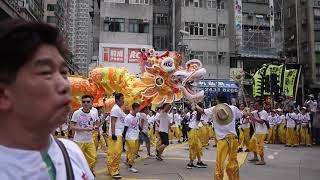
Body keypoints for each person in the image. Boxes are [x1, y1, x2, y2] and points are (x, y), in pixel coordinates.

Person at [0, 19, 94, 179]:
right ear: (3, 94)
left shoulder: (71, 154)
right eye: (46, 72)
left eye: (63, 72)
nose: (64, 85)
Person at [195, 92, 242, 180]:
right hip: (233, 139)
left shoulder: (215, 109)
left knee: (219, 164)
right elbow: (241, 115)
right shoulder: (234, 108)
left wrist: (195, 104)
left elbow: (201, 111)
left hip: (222, 140)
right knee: (233, 162)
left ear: (217, 100)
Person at [70, 95, 99, 174]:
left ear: (91, 103)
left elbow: (97, 123)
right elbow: (71, 127)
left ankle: (88, 172)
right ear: (81, 103)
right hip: (79, 141)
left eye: (88, 102)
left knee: (94, 158)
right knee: (78, 160)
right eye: (84, 102)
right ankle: (79, 174)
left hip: (89, 140)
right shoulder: (77, 113)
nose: (86, 103)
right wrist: (85, 129)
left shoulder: (93, 113)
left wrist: (96, 126)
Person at [107, 93, 126, 179]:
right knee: (116, 153)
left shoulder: (119, 109)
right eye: (122, 99)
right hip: (116, 134)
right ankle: (114, 171)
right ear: (117, 100)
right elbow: (113, 122)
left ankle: (111, 169)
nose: (123, 100)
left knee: (115, 153)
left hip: (119, 134)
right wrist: (113, 134)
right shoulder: (115, 109)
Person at [248, 100, 268, 165]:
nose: (255, 106)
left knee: (259, 146)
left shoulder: (264, 112)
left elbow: (261, 121)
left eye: (257, 105)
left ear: (261, 105)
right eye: (255, 105)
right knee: (252, 143)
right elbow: (249, 113)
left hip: (262, 132)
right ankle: (255, 157)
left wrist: (253, 118)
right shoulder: (256, 111)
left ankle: (262, 160)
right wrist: (250, 109)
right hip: (257, 131)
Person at [123, 103, 141, 173]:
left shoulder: (137, 115)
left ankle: (127, 160)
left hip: (136, 136)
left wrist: (141, 131)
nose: (139, 109)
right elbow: (125, 128)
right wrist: (123, 137)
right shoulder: (128, 117)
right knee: (132, 152)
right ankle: (130, 166)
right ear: (134, 108)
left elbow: (137, 125)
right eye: (138, 108)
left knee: (133, 151)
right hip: (129, 137)